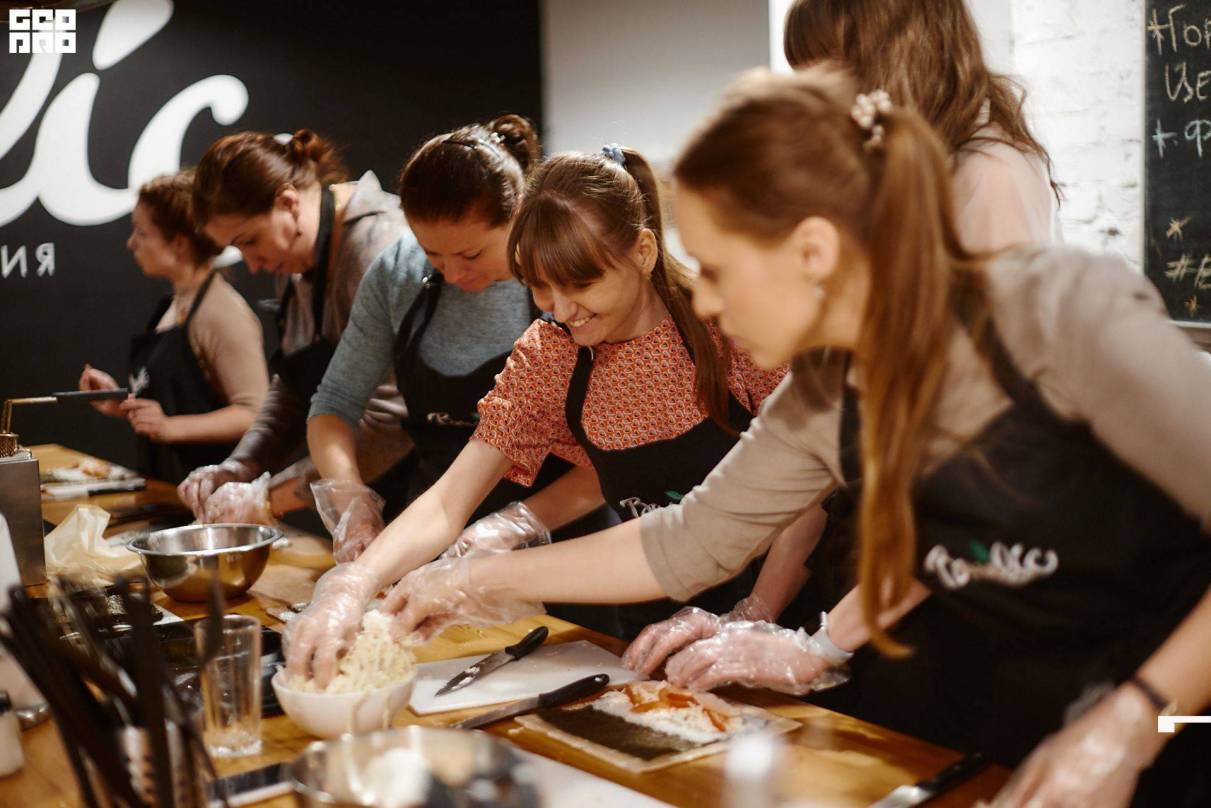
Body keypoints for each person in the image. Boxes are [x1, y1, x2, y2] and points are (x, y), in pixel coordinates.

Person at [386, 67, 1211, 806]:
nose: (706, 301)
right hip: (1038, 685)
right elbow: (688, 542)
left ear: (811, 250)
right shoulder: (822, 394)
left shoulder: (1062, 311)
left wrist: (1133, 721)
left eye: (717, 268)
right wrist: (464, 580)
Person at [630, 0, 1072, 719]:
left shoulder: (985, 180)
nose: (704, 301)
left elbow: (983, 504)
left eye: (820, 74)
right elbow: (714, 523)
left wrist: (820, 644)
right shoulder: (854, 293)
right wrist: (767, 613)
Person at [285, 144, 812, 686]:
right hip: (645, 613)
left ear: (643, 251)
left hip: (779, 617)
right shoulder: (552, 353)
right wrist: (353, 583)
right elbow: (448, 500)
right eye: (540, 286)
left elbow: (805, 498)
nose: (560, 308)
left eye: (581, 284)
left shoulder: (729, 331)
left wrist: (752, 616)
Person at [176, 129, 409, 525]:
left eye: (250, 241)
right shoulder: (293, 261)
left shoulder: (380, 248)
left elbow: (391, 423)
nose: (252, 265)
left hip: (428, 483)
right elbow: (293, 387)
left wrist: (269, 498)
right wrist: (240, 466)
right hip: (356, 485)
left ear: (287, 202)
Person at [79, 170, 268, 484]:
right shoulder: (172, 306)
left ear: (179, 243)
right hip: (169, 488)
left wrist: (170, 427)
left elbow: (254, 413)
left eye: (141, 233)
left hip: (212, 499)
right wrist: (121, 404)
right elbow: (175, 403)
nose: (131, 244)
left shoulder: (222, 312)